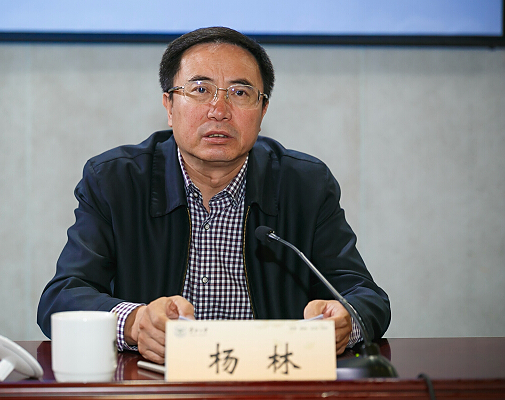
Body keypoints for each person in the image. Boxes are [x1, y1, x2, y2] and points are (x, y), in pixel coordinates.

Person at [37, 26, 390, 365]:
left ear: (263, 110)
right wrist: (135, 322)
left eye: (240, 93)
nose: (219, 111)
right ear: (169, 105)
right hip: (156, 385)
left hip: (270, 383)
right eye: (201, 90)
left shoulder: (305, 185)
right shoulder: (115, 181)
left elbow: (365, 296)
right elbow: (62, 297)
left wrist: (345, 321)